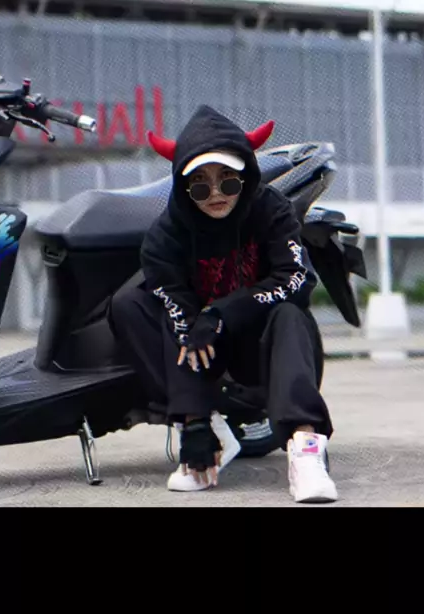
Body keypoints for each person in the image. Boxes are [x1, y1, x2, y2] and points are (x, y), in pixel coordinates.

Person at [108, 105, 337, 504]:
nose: (215, 194)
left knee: (290, 314)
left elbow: (296, 279)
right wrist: (194, 418)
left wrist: (221, 313)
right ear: (184, 189)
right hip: (206, 350)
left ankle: (305, 449)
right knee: (130, 304)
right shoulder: (166, 235)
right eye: (200, 186)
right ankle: (208, 430)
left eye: (227, 181)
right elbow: (175, 311)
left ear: (245, 177)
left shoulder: (271, 210)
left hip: (261, 343)